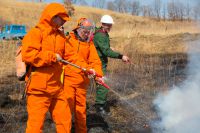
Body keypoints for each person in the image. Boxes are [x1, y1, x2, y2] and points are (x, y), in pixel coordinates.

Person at [21, 3, 71, 133]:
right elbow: (28, 55)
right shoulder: (36, 32)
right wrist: (52, 57)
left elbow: (71, 57)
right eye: (61, 19)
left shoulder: (61, 37)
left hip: (57, 87)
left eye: (64, 20)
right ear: (53, 16)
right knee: (35, 126)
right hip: (38, 89)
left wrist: (86, 68)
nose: (63, 22)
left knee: (65, 120)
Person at [63, 18, 103, 133]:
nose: (86, 34)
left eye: (89, 31)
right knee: (66, 110)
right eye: (85, 31)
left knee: (81, 111)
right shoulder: (68, 40)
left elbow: (95, 61)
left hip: (82, 83)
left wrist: (98, 75)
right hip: (68, 81)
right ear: (78, 28)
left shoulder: (89, 44)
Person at [94, 15, 130, 115]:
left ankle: (100, 105)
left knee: (102, 84)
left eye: (110, 25)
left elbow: (103, 47)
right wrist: (121, 56)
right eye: (107, 25)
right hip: (98, 63)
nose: (109, 27)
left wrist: (110, 48)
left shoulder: (103, 33)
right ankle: (100, 108)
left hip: (101, 62)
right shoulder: (100, 35)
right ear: (102, 24)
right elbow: (105, 52)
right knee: (103, 85)